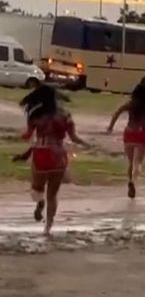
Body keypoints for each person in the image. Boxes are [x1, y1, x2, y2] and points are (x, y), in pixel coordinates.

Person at [12, 85, 88, 234]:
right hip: (59, 157)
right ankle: (48, 228)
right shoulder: (65, 115)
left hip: (41, 155)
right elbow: (73, 138)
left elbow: (27, 136)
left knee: (37, 188)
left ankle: (40, 204)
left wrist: (13, 137)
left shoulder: (36, 115)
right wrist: (88, 144)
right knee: (53, 195)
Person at [107, 84, 145, 199]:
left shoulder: (130, 104)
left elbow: (117, 113)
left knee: (131, 162)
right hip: (142, 134)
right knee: (138, 163)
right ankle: (133, 181)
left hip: (129, 133)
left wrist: (111, 127)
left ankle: (129, 180)